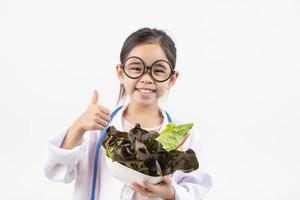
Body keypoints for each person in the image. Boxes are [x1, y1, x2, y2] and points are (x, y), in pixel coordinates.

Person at [44, 27, 212, 200]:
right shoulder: (96, 128)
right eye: (136, 68)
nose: (147, 78)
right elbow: (57, 170)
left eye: (159, 70)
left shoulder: (185, 137)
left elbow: (197, 187)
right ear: (120, 73)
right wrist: (78, 127)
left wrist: (171, 193)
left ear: (172, 79)